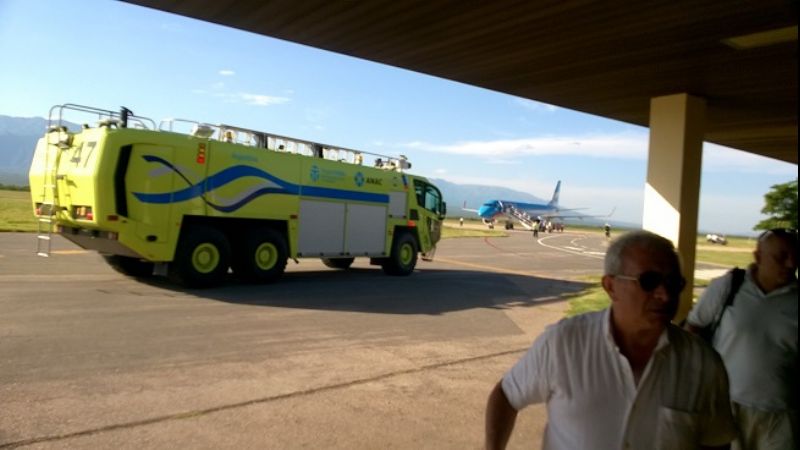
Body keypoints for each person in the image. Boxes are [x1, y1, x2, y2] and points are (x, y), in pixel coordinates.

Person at [485, 230, 736, 450]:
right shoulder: (563, 344)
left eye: (674, 283)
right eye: (649, 282)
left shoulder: (703, 364)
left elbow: (715, 442)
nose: (665, 294)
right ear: (611, 286)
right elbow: (506, 395)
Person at [686, 228, 798, 450]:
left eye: (796, 256)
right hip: (727, 408)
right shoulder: (728, 287)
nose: (790, 264)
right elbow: (693, 329)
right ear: (758, 257)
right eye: (781, 256)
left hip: (782, 416)